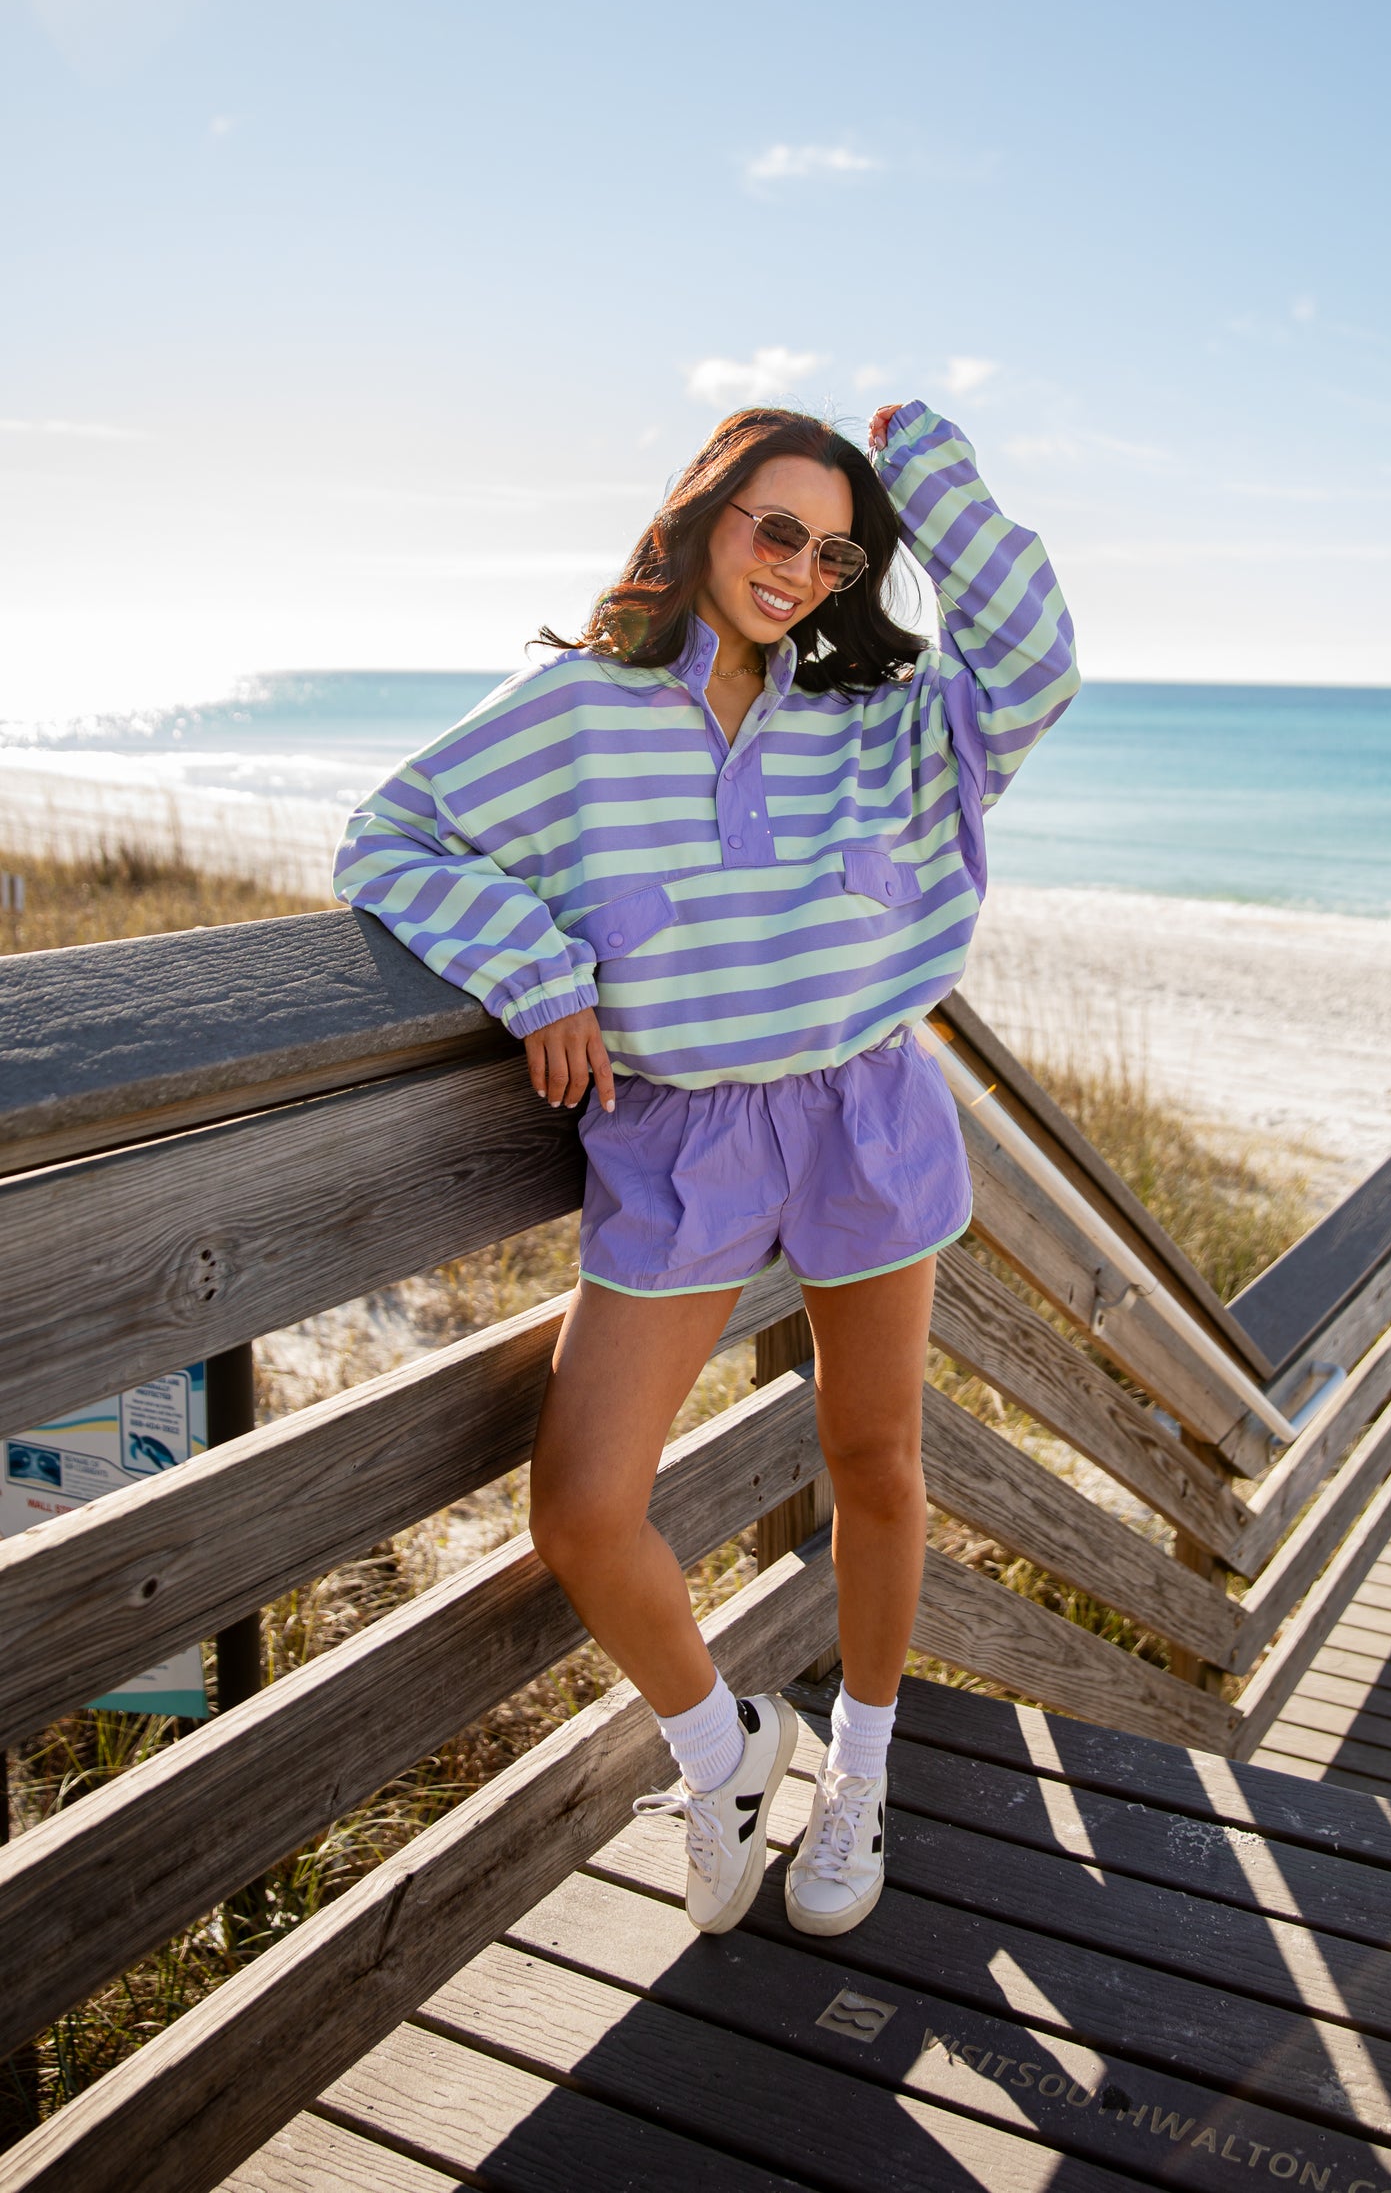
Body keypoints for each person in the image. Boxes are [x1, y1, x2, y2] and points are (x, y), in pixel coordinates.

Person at [334, 396, 1078, 1939]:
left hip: (861, 1112)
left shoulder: (887, 717)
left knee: (874, 1460)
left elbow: (1042, 655)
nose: (801, 568)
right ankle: (722, 1744)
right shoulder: (575, 711)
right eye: (776, 528)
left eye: (835, 548)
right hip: (680, 1133)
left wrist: (915, 461)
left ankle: (860, 1766)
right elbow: (391, 838)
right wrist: (532, 964)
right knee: (586, 1503)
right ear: (702, 517)